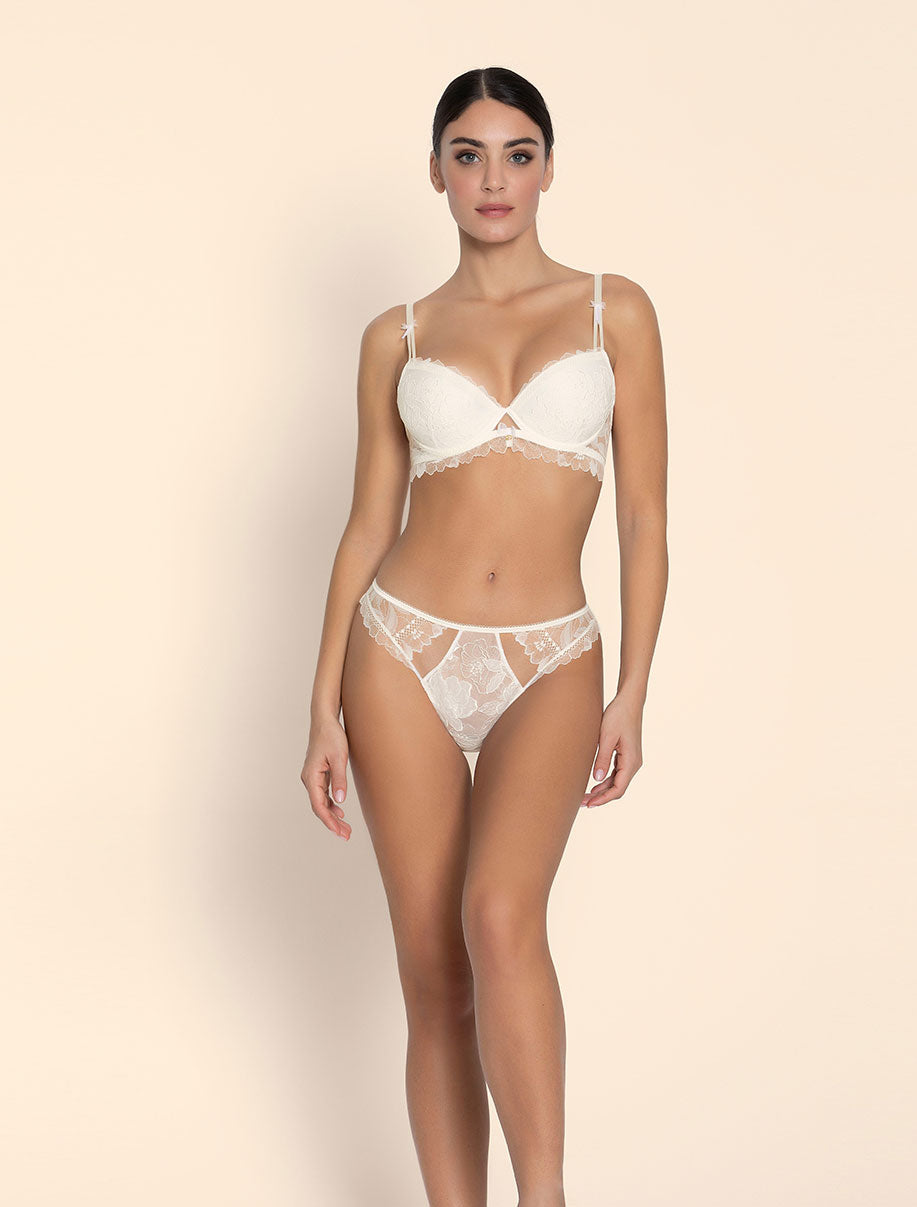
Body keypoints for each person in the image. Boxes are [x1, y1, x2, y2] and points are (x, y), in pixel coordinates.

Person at [302, 66, 668, 1207]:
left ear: (549, 168)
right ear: (435, 173)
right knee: (432, 974)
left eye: (517, 154)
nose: (493, 179)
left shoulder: (615, 310)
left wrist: (633, 689)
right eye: (468, 154)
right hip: (399, 649)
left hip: (551, 657)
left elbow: (645, 517)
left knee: (500, 919)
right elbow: (368, 524)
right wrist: (321, 705)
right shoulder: (397, 335)